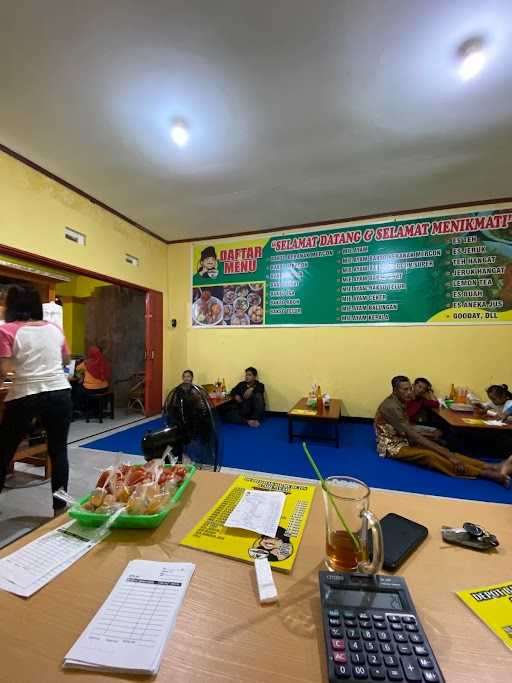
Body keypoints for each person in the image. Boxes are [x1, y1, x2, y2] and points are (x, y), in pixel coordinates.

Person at [0, 284, 73, 514]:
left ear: (11, 306)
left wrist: (20, 365)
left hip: (25, 394)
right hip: (59, 392)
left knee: (4, 450)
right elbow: (66, 360)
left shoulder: (7, 330)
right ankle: (60, 509)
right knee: (58, 451)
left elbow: (5, 369)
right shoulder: (54, 328)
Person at [374, 375, 512, 486]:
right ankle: (487, 474)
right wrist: (449, 457)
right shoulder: (390, 406)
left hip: (404, 438)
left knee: (443, 450)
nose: (410, 392)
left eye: (410, 388)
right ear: (395, 390)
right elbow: (414, 435)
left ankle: (490, 466)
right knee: (430, 455)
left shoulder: (402, 400)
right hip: (391, 445)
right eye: (405, 389)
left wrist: (448, 454)